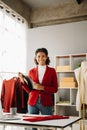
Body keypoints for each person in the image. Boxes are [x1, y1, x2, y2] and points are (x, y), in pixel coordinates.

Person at [18, 48, 58, 129]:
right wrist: (22, 81)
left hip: (46, 102)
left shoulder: (52, 71)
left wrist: (42, 87)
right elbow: (29, 90)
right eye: (38, 56)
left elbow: (55, 89)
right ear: (36, 58)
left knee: (48, 125)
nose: (41, 58)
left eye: (43, 56)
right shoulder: (31, 71)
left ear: (46, 57)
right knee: (33, 127)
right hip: (32, 102)